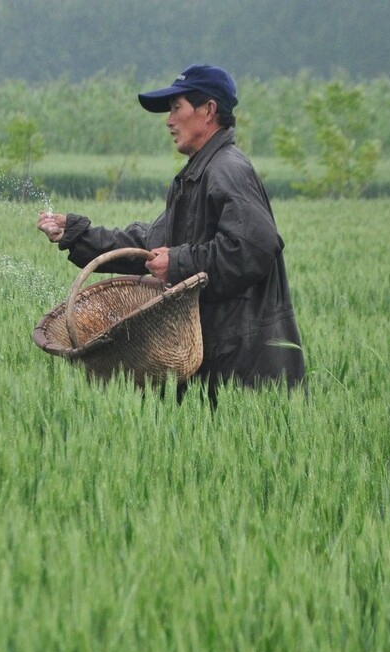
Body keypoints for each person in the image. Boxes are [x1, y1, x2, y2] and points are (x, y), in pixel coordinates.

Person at [37, 64, 305, 401]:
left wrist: (179, 262)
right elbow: (149, 245)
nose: (168, 121)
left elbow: (253, 246)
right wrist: (76, 234)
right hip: (216, 361)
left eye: (176, 108)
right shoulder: (197, 175)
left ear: (208, 111)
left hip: (245, 370)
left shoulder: (227, 169)